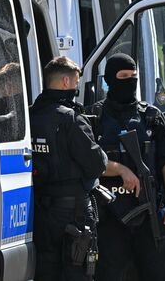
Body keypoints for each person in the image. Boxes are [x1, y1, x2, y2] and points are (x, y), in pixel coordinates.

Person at [85, 54, 165, 281]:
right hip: (109, 216)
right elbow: (87, 162)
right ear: (109, 79)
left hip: (147, 214)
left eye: (133, 77)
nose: (130, 81)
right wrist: (119, 169)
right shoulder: (94, 117)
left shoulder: (151, 116)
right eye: (123, 76)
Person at [30, 56, 108, 281]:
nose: (76, 88)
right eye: (75, 83)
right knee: (78, 273)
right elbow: (96, 164)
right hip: (73, 212)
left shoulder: (30, 116)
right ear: (65, 82)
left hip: (42, 209)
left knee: (46, 272)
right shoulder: (71, 118)